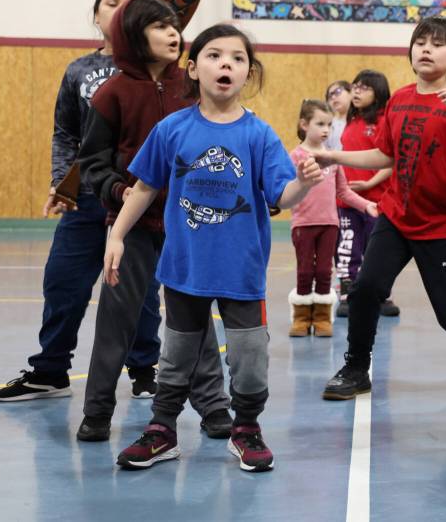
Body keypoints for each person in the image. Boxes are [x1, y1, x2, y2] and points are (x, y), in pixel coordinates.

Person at [111, 24, 323, 471]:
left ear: (248, 73)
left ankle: (246, 428)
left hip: (241, 270)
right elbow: (145, 188)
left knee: (249, 358)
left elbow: (280, 195)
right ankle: (163, 429)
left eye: (237, 58)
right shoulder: (172, 129)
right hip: (185, 267)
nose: (225, 63)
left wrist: (301, 186)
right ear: (193, 68)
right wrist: (116, 236)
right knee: (176, 356)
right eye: (214, 55)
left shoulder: (259, 136)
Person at [0, 0, 164, 403]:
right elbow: (67, 133)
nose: (120, 11)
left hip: (140, 201)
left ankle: (145, 368)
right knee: (63, 283)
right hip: (87, 198)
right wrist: (61, 182)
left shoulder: (158, 72)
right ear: (96, 15)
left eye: (131, 5)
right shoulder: (79, 71)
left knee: (140, 290)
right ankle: (50, 370)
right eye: (111, 3)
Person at [75, 0, 231, 442]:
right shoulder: (113, 93)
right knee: (116, 320)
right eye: (160, 26)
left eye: (174, 25)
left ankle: (214, 407)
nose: (172, 33)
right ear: (132, 36)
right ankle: (98, 412)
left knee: (194, 320)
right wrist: (121, 194)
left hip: (189, 227)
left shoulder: (192, 86)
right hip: (134, 229)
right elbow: (93, 164)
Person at [317, 17, 446, 400]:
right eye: (420, 42)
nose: (426, 49)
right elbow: (384, 153)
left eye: (437, 44)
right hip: (396, 218)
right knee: (365, 289)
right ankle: (356, 368)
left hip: (441, 228)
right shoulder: (398, 98)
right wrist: (332, 155)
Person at [288, 99, 377, 337]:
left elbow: (344, 192)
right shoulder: (295, 156)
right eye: (320, 124)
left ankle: (322, 318)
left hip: (330, 224)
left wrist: (366, 205)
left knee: (325, 271)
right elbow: (285, 187)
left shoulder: (334, 158)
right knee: (305, 271)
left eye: (329, 124)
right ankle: (301, 317)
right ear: (304, 124)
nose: (326, 130)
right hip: (303, 224)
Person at [334, 70, 397, 318]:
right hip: (348, 202)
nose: (356, 92)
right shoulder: (351, 122)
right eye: (355, 86)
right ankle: (348, 294)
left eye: (364, 88)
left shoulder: (383, 121)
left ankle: (381, 296)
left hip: (378, 201)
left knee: (377, 252)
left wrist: (370, 181)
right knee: (348, 249)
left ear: (379, 93)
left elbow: (391, 161)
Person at [325, 79, 352, 150]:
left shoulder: (361, 122)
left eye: (337, 92)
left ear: (351, 93)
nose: (333, 97)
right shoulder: (328, 125)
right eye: (330, 96)